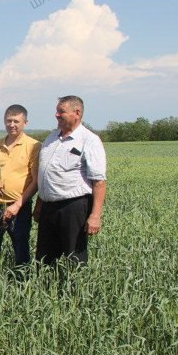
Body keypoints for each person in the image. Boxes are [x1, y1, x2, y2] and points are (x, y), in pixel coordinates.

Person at [35, 95, 107, 266]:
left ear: (77, 113)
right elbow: (45, 174)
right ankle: (46, 290)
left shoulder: (89, 140)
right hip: (48, 207)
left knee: (74, 256)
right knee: (44, 258)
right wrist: (39, 204)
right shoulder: (52, 137)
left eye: (61, 112)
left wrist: (95, 215)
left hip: (73, 206)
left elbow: (99, 182)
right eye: (57, 111)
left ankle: (74, 291)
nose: (57, 115)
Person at [0, 105, 40, 277]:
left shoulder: (33, 146)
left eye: (16, 121)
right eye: (8, 121)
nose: (12, 124)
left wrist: (17, 205)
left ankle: (23, 285)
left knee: (21, 248)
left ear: (25, 123)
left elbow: (36, 181)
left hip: (19, 206)